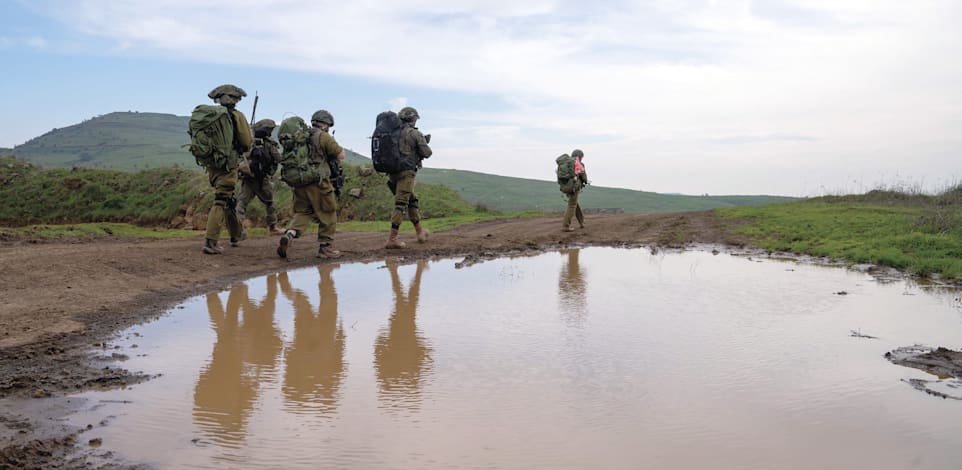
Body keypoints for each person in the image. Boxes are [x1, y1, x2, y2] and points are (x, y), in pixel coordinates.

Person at [276, 109, 346, 259]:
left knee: (303, 212)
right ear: (326, 123)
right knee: (328, 212)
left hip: (299, 182)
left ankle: (290, 234)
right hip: (318, 182)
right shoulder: (323, 137)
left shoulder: (301, 136)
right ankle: (325, 248)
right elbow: (341, 155)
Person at [202, 84, 252, 254]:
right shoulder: (236, 116)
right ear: (234, 99)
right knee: (221, 200)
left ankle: (236, 235)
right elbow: (246, 142)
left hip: (212, 164)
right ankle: (211, 241)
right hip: (229, 164)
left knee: (229, 200)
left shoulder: (210, 116)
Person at [385, 106, 433, 249]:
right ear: (413, 119)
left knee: (412, 201)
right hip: (407, 173)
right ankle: (392, 239)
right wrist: (422, 142)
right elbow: (427, 153)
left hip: (392, 174)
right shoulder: (414, 133)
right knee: (401, 204)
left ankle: (420, 232)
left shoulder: (392, 133)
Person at [237, 118, 282, 235]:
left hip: (248, 178)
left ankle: (237, 229)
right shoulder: (269, 144)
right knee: (270, 202)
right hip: (262, 179)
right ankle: (273, 227)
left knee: (241, 203)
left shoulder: (248, 142)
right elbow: (279, 158)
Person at [562, 149, 588, 232]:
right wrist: (585, 181)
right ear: (579, 156)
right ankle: (566, 226)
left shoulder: (566, 163)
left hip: (566, 186)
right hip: (574, 187)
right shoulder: (579, 164)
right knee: (572, 205)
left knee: (574, 203)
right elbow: (584, 178)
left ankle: (582, 222)